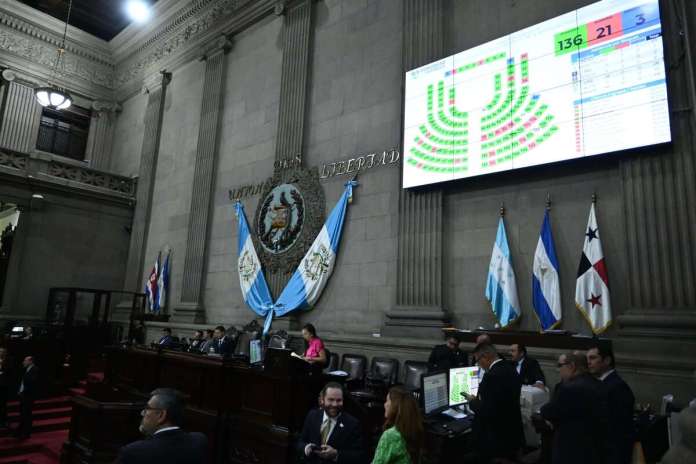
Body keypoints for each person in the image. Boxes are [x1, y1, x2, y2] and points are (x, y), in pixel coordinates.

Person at [539, 352, 608, 464]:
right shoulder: (600, 384)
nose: (558, 370)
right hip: (595, 449)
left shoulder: (569, 388)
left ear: (571, 366)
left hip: (570, 449)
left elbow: (548, 411)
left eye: (560, 366)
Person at [114, 388, 208, 464]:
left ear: (161, 415)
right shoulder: (199, 441)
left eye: (147, 408)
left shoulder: (133, 452)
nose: (142, 413)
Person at [465, 343, 523, 463]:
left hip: (496, 439)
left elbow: (487, 411)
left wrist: (472, 401)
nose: (478, 364)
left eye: (477, 360)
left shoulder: (491, 376)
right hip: (512, 433)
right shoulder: (510, 368)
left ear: (485, 356)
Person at [587, 343, 635, 464]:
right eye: (587, 358)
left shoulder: (617, 387)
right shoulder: (600, 383)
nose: (588, 362)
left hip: (611, 454)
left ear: (607, 360)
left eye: (593, 358)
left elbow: (618, 427)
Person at [297, 382, 365, 464]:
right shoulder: (312, 416)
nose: (335, 404)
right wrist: (306, 448)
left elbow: (359, 456)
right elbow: (300, 442)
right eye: (331, 400)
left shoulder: (352, 424)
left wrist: (336, 454)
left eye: (339, 400)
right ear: (323, 400)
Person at [372, 386, 424, 464]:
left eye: (387, 401)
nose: (384, 405)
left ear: (395, 406)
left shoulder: (390, 436)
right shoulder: (415, 429)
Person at [15, 356, 39, 439]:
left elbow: (32, 384)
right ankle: (19, 432)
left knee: (27, 415)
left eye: (25, 360)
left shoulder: (35, 369)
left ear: (30, 361)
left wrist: (23, 391)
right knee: (23, 414)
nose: (23, 362)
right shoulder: (27, 369)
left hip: (28, 397)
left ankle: (26, 433)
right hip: (24, 395)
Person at [0, 348, 11, 428]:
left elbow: (9, 371)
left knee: (3, 405)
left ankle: (4, 421)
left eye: (1, 352)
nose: (0, 353)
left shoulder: (7, 361)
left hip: (4, 386)